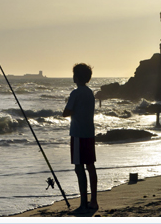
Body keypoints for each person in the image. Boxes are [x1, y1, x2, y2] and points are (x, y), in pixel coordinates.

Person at [63, 63, 98, 214]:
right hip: (89, 132)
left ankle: (83, 203)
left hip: (77, 134)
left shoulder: (75, 93)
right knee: (90, 166)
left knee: (79, 167)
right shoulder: (90, 93)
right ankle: (94, 201)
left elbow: (66, 112)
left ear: (76, 77)